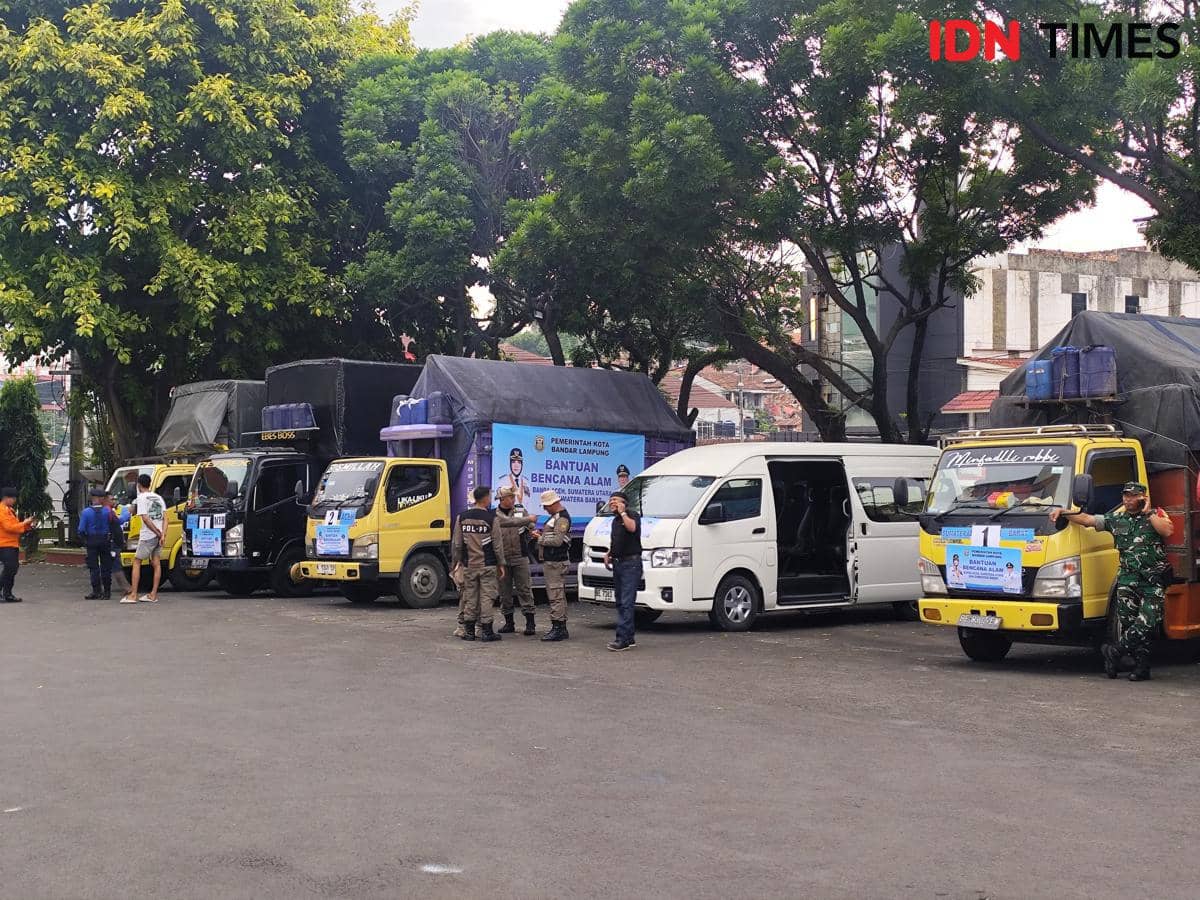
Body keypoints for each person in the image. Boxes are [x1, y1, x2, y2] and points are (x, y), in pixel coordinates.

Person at [1050, 481, 1173, 681]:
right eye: (1125, 495)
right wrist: (1064, 512)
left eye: (1133, 496)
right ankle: (1141, 668)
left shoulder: (1156, 515)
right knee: (1130, 624)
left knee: (1148, 623)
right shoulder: (1116, 520)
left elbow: (1167, 531)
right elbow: (1088, 520)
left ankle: (1114, 651)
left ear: (1143, 497)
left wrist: (1149, 512)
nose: (1128, 499)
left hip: (1152, 581)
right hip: (1127, 580)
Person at [451, 485, 506, 642]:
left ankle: (469, 632)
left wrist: (457, 561)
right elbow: (497, 545)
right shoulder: (491, 519)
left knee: (470, 597)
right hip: (487, 564)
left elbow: (457, 544)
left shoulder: (462, 517)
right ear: (486, 498)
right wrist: (501, 564)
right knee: (487, 597)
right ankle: (486, 632)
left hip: (469, 565)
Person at [494, 486, 538, 635]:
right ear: (502, 499)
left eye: (513, 497)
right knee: (504, 592)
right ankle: (509, 623)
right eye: (510, 497)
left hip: (520, 556)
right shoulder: (495, 514)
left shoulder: (520, 510)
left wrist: (530, 528)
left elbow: (530, 525)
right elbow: (507, 523)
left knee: (525, 589)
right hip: (502, 558)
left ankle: (530, 623)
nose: (513, 499)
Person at [530, 489, 571, 641]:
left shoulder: (562, 519)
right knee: (557, 594)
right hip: (552, 561)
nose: (545, 509)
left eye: (546, 506)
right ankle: (560, 627)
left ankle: (558, 628)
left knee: (555, 595)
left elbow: (557, 541)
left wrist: (539, 538)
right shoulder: (555, 517)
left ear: (553, 503)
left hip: (556, 562)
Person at [605, 490, 642, 651]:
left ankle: (622, 639)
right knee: (620, 601)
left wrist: (623, 513)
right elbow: (618, 540)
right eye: (610, 500)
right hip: (618, 563)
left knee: (627, 602)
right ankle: (629, 637)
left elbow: (632, 528)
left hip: (630, 564)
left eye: (615, 500)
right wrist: (609, 553)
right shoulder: (615, 521)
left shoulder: (632, 515)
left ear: (624, 503)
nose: (611, 503)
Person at [124, 474, 165, 604]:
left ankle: (133, 594)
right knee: (156, 563)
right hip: (159, 535)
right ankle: (153, 594)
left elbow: (145, 518)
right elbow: (166, 518)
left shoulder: (141, 498)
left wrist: (156, 532)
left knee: (137, 561)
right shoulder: (158, 498)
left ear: (138, 485)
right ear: (150, 483)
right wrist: (162, 534)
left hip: (148, 535)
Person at [0, 486, 36, 603]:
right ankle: (7, 593)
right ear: (6, 498)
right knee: (10, 568)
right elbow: (9, 527)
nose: (15, 500)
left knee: (12, 568)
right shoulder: (2, 510)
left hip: (11, 543)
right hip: (4, 544)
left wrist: (28, 525)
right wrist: (24, 523)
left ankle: (7, 593)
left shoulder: (10, 510)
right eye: (13, 498)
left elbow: (16, 527)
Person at [79, 486, 114, 600]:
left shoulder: (86, 512)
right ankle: (107, 592)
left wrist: (85, 540)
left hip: (92, 540)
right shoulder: (107, 511)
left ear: (93, 498)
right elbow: (113, 524)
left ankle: (96, 591)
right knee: (106, 566)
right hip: (105, 540)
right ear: (102, 499)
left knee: (93, 567)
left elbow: (81, 529)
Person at [103, 492, 132, 597]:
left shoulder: (108, 511)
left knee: (113, 565)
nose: (114, 501)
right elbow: (118, 521)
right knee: (116, 566)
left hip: (110, 541)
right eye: (112, 499)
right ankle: (127, 588)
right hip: (111, 542)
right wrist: (128, 514)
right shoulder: (108, 512)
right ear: (105, 500)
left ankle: (124, 588)